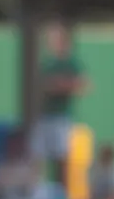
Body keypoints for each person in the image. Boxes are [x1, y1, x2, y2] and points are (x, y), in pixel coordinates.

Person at [34, 22, 87, 184]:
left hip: (61, 116)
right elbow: (40, 84)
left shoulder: (71, 62)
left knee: (61, 156)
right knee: (37, 154)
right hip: (44, 115)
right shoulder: (46, 62)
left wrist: (60, 85)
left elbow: (83, 85)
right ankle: (39, 190)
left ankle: (61, 192)